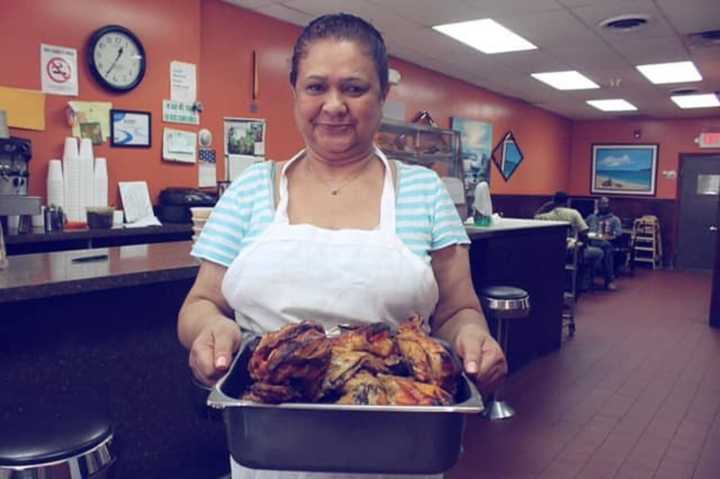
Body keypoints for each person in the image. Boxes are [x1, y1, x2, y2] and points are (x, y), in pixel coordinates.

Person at [178, 13, 507, 479]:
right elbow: (201, 302)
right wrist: (208, 330)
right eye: (316, 87)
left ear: (382, 96)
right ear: (294, 92)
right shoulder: (250, 190)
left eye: (354, 88)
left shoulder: (423, 192)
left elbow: (457, 311)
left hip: (400, 447)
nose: (334, 105)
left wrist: (474, 337)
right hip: (272, 448)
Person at [535, 192, 614, 291]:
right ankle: (585, 282)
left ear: (553, 201)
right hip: (570, 252)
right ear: (567, 202)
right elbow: (584, 231)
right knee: (599, 252)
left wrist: (547, 205)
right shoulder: (573, 213)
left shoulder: (545, 216)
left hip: (550, 251)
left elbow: (535, 216)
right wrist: (584, 246)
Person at [585, 196, 623, 287]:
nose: (603, 206)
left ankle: (609, 280)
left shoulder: (614, 219)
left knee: (606, 247)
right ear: (597, 205)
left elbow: (618, 233)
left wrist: (609, 236)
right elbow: (583, 228)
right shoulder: (591, 217)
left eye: (605, 203)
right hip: (590, 242)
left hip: (605, 242)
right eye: (601, 204)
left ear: (609, 205)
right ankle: (587, 279)